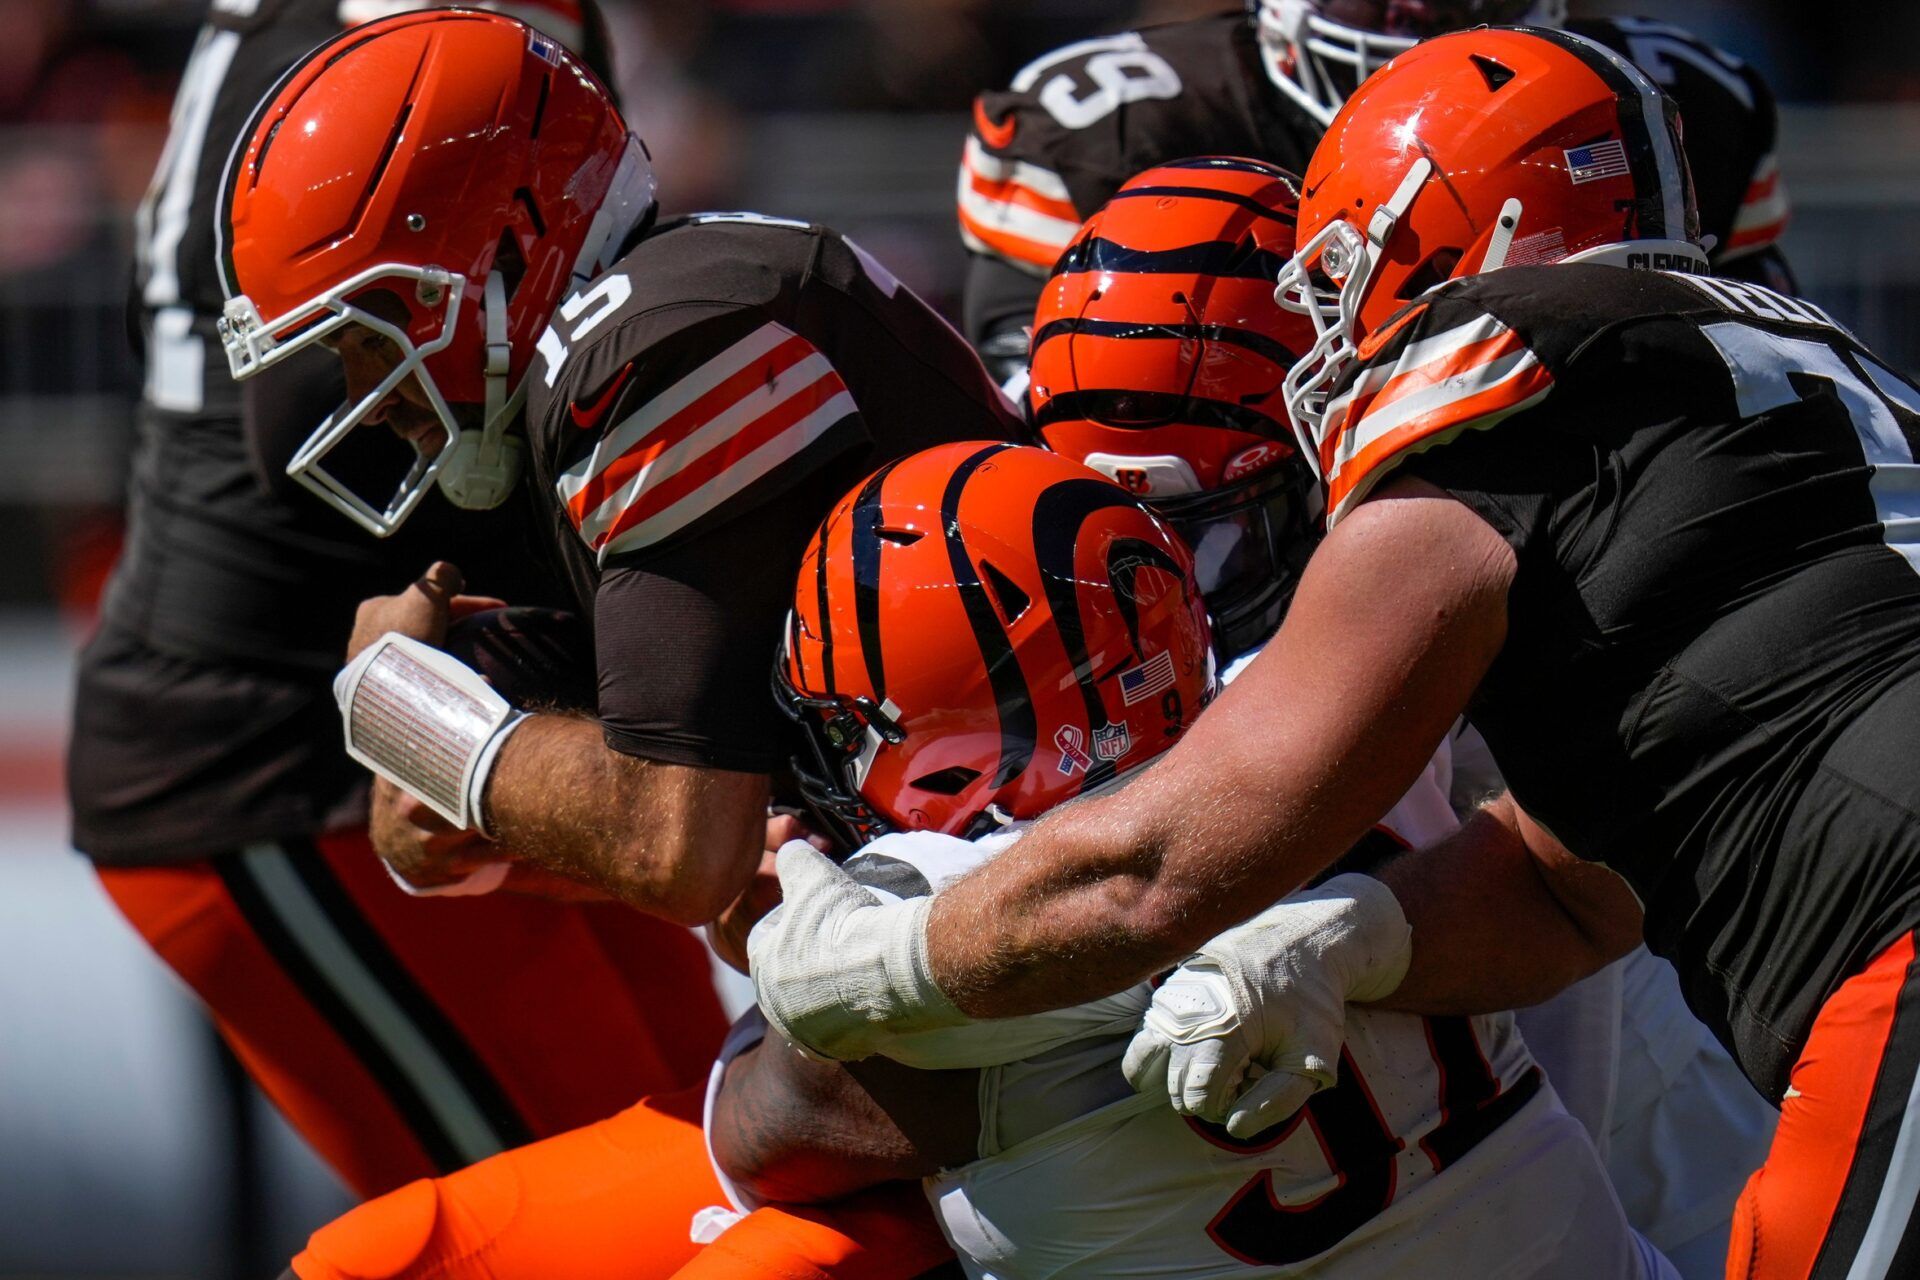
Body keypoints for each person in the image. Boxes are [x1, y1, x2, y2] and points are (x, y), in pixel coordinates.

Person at [749, 28, 1920, 1280]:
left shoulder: (1499, 383)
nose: (1329, 332)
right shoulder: (1802, 361)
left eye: (1344, 271)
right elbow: (1576, 888)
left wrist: (870, 960)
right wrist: (1363, 932)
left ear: (1461, 242)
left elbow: (1159, 864)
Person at [290, 440, 1671, 1279]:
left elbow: (776, 1124)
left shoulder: (952, 915)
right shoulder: (1321, 744)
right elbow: (1578, 877)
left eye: (843, 724)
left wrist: (393, 702)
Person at [1027, 154, 1777, 1277]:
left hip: (1631, 1057)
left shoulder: (1485, 553)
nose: (1176, 593)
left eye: (1215, 532)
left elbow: (1553, 957)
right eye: (1123, 551)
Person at [70, 0, 726, 1202]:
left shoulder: (288, 29)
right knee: (585, 1222)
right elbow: (317, 408)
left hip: (456, 694)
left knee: (720, 1172)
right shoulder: (393, 30)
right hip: (288, 749)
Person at [215, 9, 1024, 931]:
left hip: (1050, 834)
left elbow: (678, 853)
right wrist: (484, 799)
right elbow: (730, 857)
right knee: (496, 667)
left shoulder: (657, 351)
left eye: (370, 335)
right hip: (986, 840)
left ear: (507, 251)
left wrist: (406, 710)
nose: (368, 393)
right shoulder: (631, 329)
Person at [957, 0, 1794, 388]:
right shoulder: (1110, 128)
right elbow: (1057, 426)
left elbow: (1755, 371)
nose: (1419, 8)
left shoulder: (1667, 102)